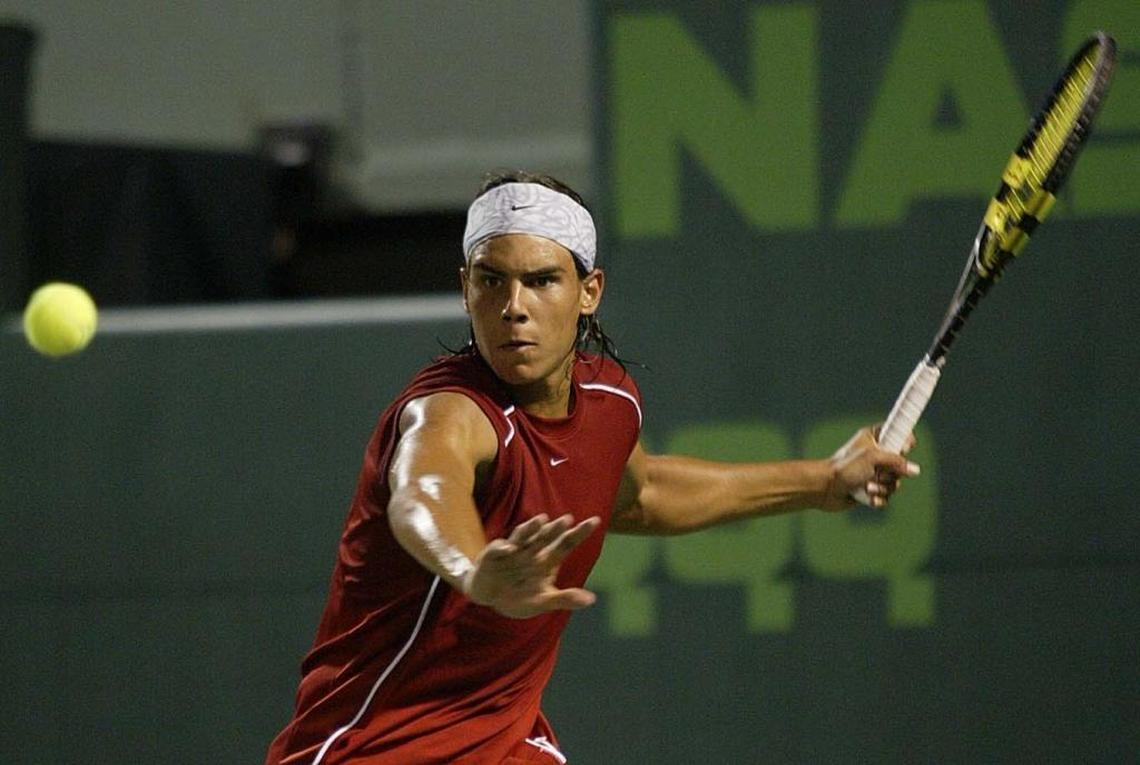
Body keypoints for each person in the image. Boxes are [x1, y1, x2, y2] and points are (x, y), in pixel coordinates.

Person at [265, 171, 919, 764]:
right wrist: (476, 570)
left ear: (589, 291)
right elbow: (421, 494)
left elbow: (640, 494)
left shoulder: (609, 402)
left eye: (542, 279)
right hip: (370, 748)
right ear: (466, 289)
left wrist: (825, 480)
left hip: (506, 741)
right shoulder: (448, 412)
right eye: (491, 279)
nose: (513, 305)